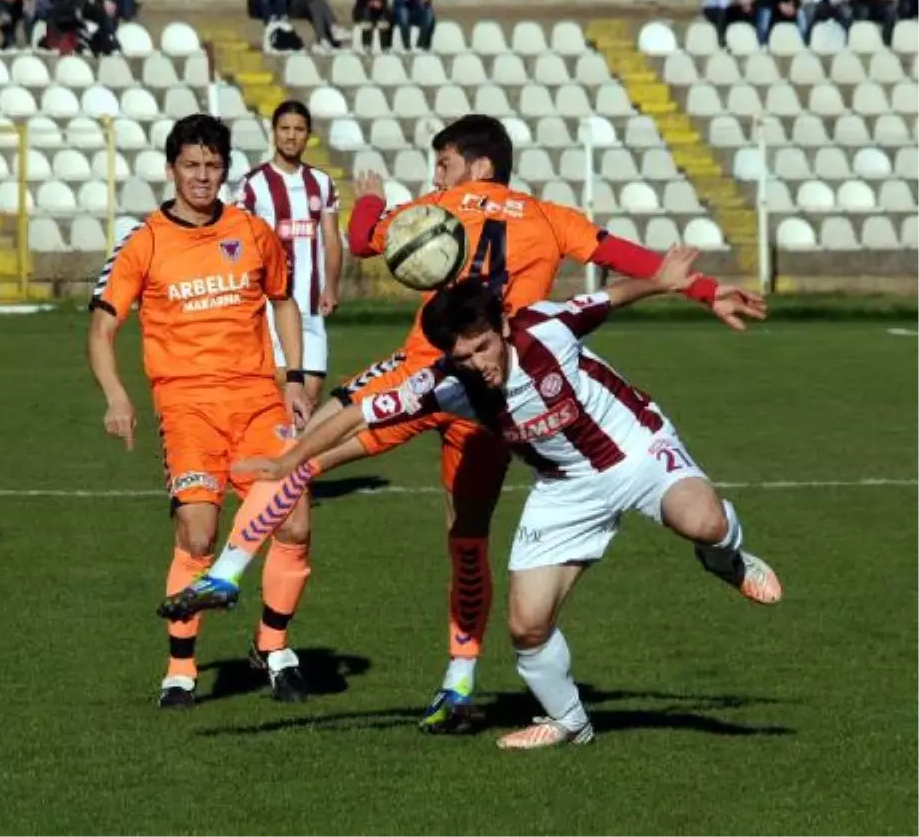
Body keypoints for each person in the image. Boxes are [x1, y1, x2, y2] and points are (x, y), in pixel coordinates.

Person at [160, 114, 767, 733]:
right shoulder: (553, 217)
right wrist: (703, 288)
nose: (437, 176)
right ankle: (457, 682)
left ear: (477, 166)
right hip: (499, 394)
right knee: (466, 537)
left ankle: (228, 572)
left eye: (443, 163)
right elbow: (625, 260)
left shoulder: (439, 205)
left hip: (427, 375)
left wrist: (369, 196)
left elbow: (367, 236)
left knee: (312, 448)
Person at [223, 257, 781, 751]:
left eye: (483, 347)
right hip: (564, 489)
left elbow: (608, 298)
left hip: (635, 446)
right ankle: (569, 722)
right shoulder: (443, 382)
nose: (476, 363)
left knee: (703, 521)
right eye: (461, 356)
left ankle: (725, 558)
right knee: (526, 625)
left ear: (503, 329)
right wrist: (288, 461)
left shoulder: (547, 327)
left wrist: (667, 283)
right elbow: (360, 412)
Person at [87, 114, 315, 710]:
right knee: (198, 532)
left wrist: (293, 375)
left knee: (294, 520)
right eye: (191, 165)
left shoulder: (253, 232)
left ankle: (273, 648)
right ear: (171, 170)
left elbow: (285, 302)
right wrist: (117, 395)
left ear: (226, 170)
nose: (202, 177)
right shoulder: (144, 242)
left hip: (257, 400)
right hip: (186, 406)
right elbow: (101, 328)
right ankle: (180, 670)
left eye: (213, 166)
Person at [236, 101, 341, 406]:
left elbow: (332, 239)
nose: (291, 136)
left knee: (310, 394)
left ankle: (292, 453)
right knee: (283, 392)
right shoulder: (253, 185)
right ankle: (279, 453)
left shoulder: (321, 183)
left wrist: (331, 286)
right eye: (285, 129)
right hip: (272, 307)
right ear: (274, 133)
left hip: (310, 307)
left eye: (298, 129)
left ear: (308, 135)